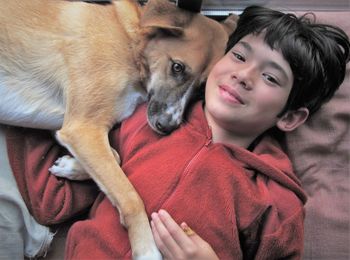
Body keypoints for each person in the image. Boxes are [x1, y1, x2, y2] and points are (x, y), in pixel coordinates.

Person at [5, 5, 350, 259]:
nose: (244, 76)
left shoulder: (276, 197)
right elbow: (60, 188)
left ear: (290, 117)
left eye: (271, 77)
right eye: (240, 56)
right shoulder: (140, 122)